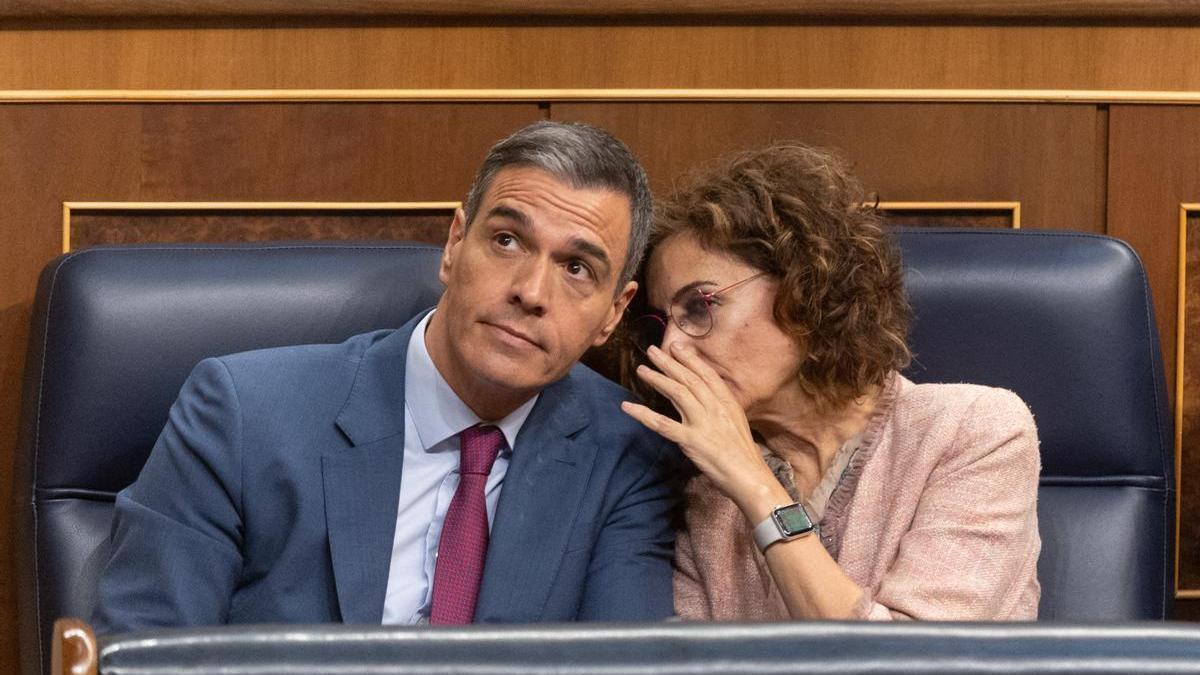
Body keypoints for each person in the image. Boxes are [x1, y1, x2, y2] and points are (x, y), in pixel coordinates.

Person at [92, 121, 678, 632]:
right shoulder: (243, 413)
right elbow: (143, 653)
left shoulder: (624, 456)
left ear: (614, 313)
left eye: (577, 267)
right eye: (506, 240)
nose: (530, 292)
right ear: (454, 245)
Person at [620, 143, 1041, 621]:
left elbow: (923, 666)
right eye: (662, 322)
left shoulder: (973, 430)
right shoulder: (707, 492)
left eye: (699, 305)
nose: (672, 346)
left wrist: (756, 486)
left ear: (804, 287)